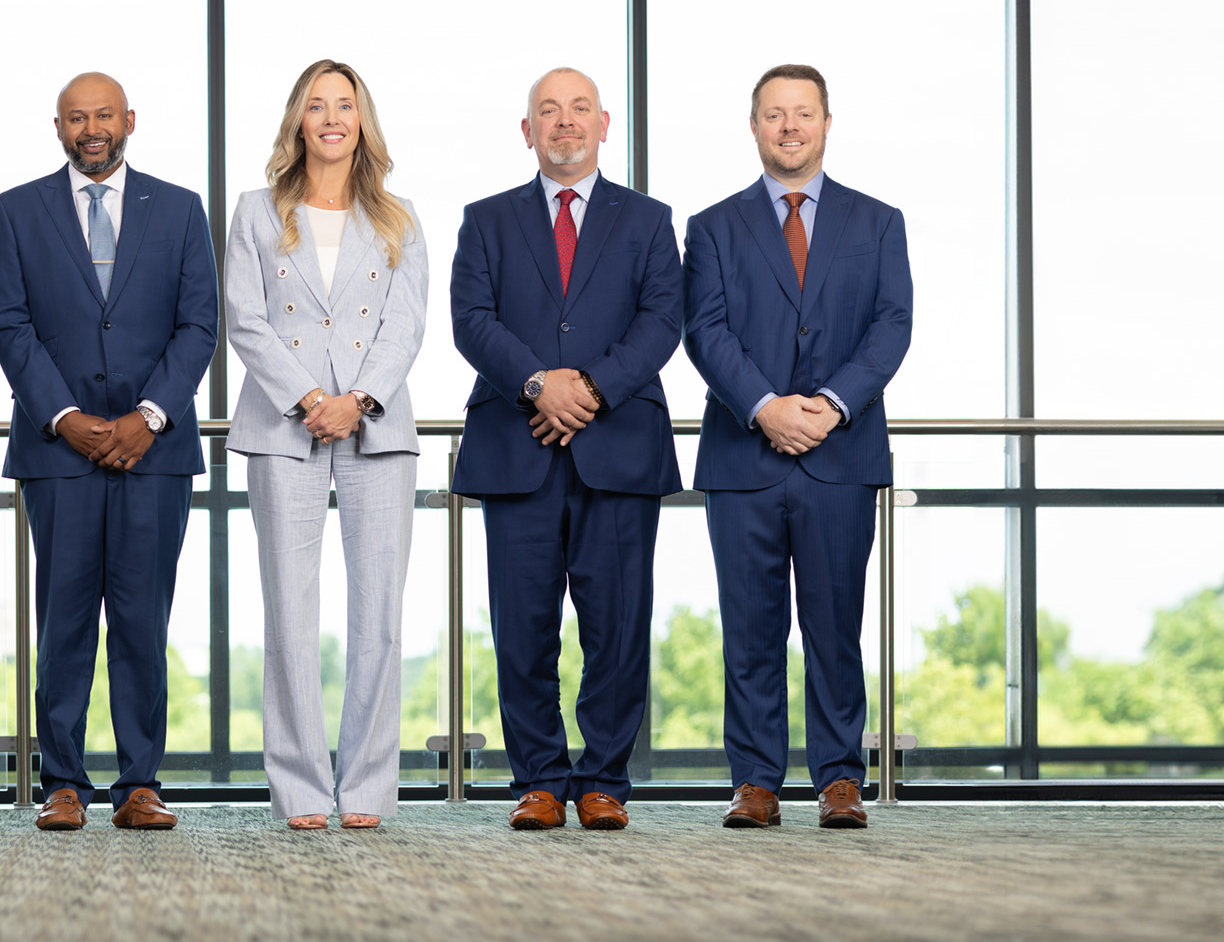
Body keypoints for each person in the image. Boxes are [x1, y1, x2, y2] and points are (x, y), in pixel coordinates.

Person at [449, 68, 683, 832]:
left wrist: (586, 388)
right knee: (522, 627)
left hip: (617, 444)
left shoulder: (649, 220)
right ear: (527, 132)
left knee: (616, 624)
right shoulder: (486, 220)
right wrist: (535, 385)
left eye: (579, 109)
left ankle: (605, 779)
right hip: (516, 445)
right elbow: (471, 320)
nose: (564, 123)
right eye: (548, 112)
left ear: (604, 124)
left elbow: (661, 320)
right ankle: (541, 781)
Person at [0, 72, 219, 831]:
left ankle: (140, 782)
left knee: (144, 619)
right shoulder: (15, 211)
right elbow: (11, 326)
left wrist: (147, 416)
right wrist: (64, 415)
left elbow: (198, 326)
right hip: (59, 451)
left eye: (104, 116)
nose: (92, 128)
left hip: (154, 450)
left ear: (130, 121)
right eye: (77, 117)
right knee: (64, 620)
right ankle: (62, 782)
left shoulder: (181, 209)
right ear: (58, 127)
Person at [682, 63, 912, 830]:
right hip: (744, 457)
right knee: (749, 630)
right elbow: (704, 331)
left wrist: (831, 406)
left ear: (826, 122)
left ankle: (840, 779)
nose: (789, 127)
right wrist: (765, 407)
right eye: (774, 115)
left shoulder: (879, 222)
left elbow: (892, 327)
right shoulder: (711, 227)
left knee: (833, 626)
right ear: (753, 127)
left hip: (841, 457)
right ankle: (756, 782)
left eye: (802, 114)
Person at [224, 59, 426, 831]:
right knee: (290, 614)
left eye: (346, 105)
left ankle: (369, 790)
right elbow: (245, 319)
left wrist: (357, 401)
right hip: (285, 424)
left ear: (362, 121)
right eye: (317, 105)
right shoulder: (256, 210)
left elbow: (406, 323)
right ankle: (302, 789)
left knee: (379, 613)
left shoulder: (399, 216)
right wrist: (312, 399)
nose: (332, 117)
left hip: (376, 426)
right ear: (298, 121)